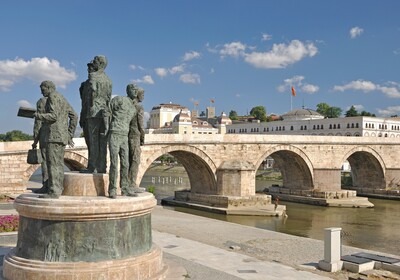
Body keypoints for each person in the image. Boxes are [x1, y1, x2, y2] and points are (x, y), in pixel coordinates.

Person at [34, 81, 77, 198]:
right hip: (61, 136)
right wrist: (69, 134)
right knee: (58, 164)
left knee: (53, 164)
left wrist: (38, 115)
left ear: (48, 87)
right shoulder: (62, 97)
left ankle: (54, 191)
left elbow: (53, 116)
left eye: (42, 89)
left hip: (53, 136)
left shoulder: (52, 97)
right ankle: (57, 189)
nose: (41, 91)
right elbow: (74, 115)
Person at [79, 55, 112, 174]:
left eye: (95, 61)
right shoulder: (108, 80)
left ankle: (91, 166)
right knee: (102, 141)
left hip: (92, 112)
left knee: (92, 141)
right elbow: (108, 98)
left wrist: (90, 106)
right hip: (104, 112)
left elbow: (92, 92)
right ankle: (102, 167)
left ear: (100, 63)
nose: (93, 62)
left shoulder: (93, 76)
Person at [108, 84, 140, 198]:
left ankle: (125, 188)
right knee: (114, 163)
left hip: (124, 136)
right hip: (114, 133)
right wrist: (107, 128)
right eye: (133, 89)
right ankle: (112, 189)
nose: (135, 92)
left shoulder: (133, 109)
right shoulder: (119, 100)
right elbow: (108, 112)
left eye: (136, 90)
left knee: (125, 164)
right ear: (127, 90)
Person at [128, 87, 145, 192]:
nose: (143, 97)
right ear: (138, 95)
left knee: (127, 160)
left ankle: (125, 182)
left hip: (126, 135)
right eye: (142, 94)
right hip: (135, 135)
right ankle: (132, 184)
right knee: (135, 160)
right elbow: (141, 125)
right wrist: (143, 137)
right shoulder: (139, 107)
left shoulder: (128, 105)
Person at [31, 96, 48, 194]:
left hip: (45, 138)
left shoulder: (41, 104)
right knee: (56, 164)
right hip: (57, 138)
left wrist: (35, 141)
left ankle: (46, 186)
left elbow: (38, 125)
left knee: (45, 163)